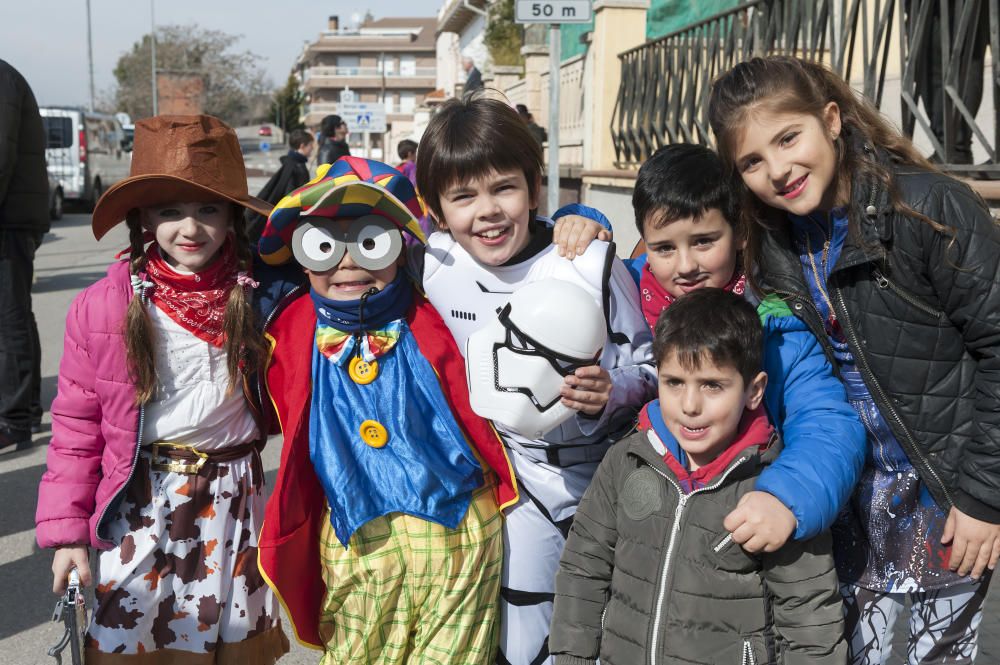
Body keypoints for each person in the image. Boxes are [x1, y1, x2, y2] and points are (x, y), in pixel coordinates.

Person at [708, 55, 1000, 663]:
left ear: (832, 120)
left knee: (939, 655)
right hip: (845, 502)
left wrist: (982, 498)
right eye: (752, 161)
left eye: (789, 138)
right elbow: (672, 244)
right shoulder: (771, 237)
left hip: (944, 495)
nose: (779, 170)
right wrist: (583, 224)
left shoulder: (929, 210)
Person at [35, 114, 289, 663]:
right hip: (142, 501)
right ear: (144, 217)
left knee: (224, 640)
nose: (189, 228)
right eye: (169, 211)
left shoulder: (262, 296)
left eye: (208, 209)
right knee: (136, 636)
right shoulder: (105, 306)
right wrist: (68, 535)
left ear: (233, 216)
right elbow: (76, 428)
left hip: (233, 501)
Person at [415, 96, 656, 665]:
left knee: (608, 633)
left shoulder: (588, 262)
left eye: (504, 188)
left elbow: (650, 370)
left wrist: (609, 392)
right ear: (436, 209)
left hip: (592, 486)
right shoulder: (431, 265)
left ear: (535, 187)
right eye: (463, 197)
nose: (488, 211)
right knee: (518, 638)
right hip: (492, 491)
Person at [255, 156, 518, 664]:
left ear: (401, 247)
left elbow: (518, 255)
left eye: (371, 240)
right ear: (301, 255)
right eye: (326, 245)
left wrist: (579, 218)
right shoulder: (284, 326)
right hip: (356, 542)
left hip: (457, 534)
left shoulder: (441, 298)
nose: (348, 262)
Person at [552, 144, 866, 550]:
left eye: (704, 241)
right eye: (664, 248)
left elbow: (824, 422)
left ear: (740, 234)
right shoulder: (620, 292)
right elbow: (534, 265)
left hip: (731, 532)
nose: (684, 266)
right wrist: (579, 226)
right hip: (629, 536)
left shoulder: (773, 322)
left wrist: (785, 498)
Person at [549, 288, 847, 664]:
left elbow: (810, 619)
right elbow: (583, 571)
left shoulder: (774, 493)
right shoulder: (626, 460)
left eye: (712, 385)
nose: (690, 406)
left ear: (754, 391)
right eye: (674, 382)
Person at [0, 58, 48, 451]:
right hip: (13, 215)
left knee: (9, 319)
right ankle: (23, 412)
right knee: (14, 316)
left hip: (8, 218)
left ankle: (12, 420)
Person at [244, 128, 315, 243]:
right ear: (302, 146)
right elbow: (291, 196)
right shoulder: (296, 167)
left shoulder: (292, 163)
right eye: (310, 145)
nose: (312, 148)